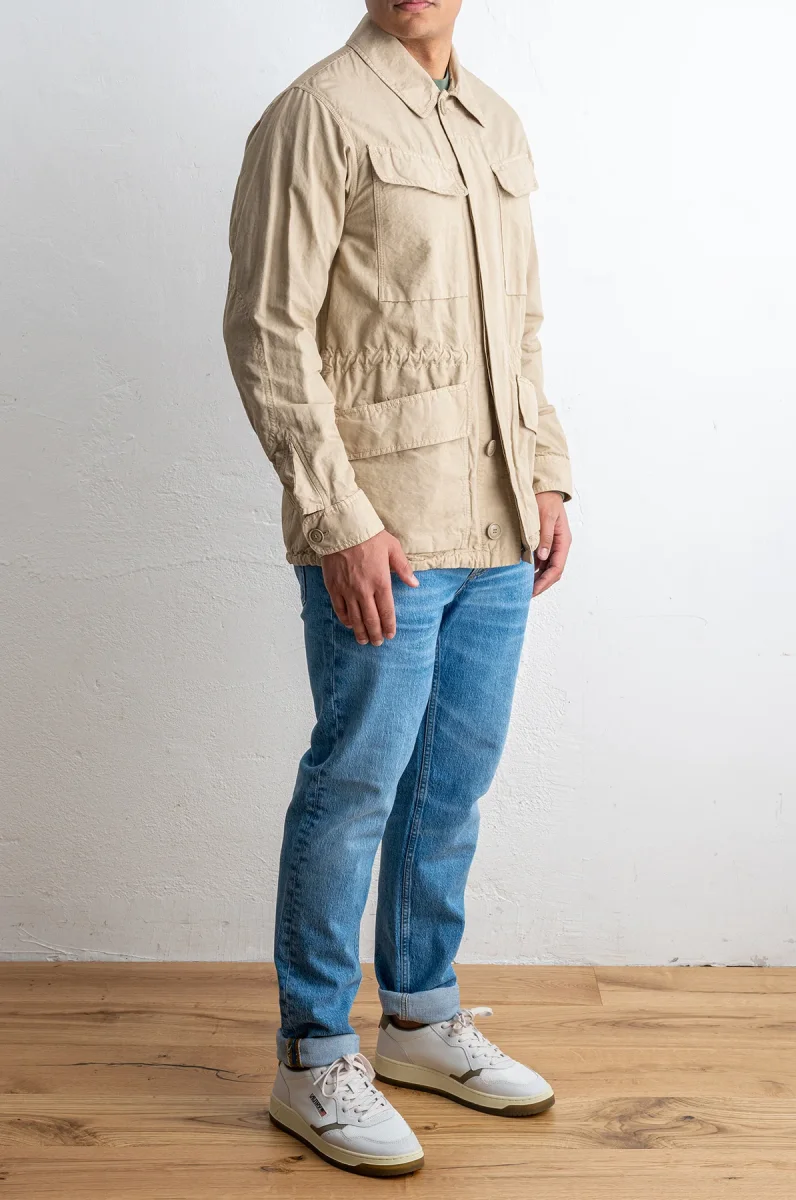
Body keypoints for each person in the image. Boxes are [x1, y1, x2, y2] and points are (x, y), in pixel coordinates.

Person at [223, 0, 572, 1177]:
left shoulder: (495, 125)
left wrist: (547, 473)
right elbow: (267, 331)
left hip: (498, 524)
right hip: (386, 530)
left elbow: (519, 328)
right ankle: (312, 1055)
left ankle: (419, 1018)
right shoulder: (317, 113)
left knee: (449, 790)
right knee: (356, 785)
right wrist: (339, 519)